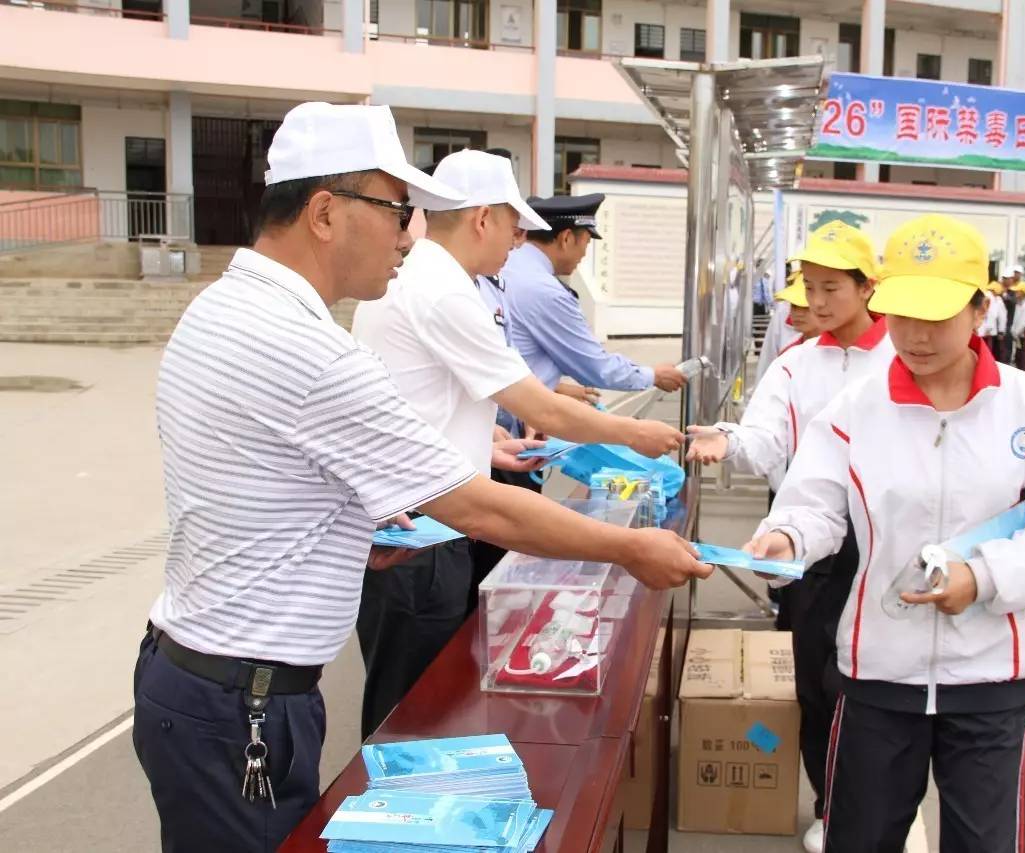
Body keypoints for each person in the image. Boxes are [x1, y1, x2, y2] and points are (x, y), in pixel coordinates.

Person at [132, 103, 712, 853]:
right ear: (324, 213)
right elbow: (479, 508)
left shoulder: (224, 306)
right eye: (396, 209)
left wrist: (352, 534)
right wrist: (631, 548)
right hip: (241, 700)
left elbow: (256, 484)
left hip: (204, 679)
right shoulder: (308, 349)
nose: (408, 234)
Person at [746, 213, 1025, 853]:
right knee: (860, 838)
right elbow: (816, 505)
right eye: (904, 313)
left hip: (989, 678)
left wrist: (984, 577)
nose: (915, 335)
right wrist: (787, 539)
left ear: (980, 310)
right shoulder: (858, 409)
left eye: (937, 316)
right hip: (878, 674)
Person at [349, 149, 687, 738]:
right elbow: (540, 406)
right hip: (421, 535)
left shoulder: (430, 278)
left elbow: (419, 403)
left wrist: (486, 445)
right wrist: (635, 433)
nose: (518, 240)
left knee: (425, 695)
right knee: (412, 712)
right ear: (482, 218)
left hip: (421, 521)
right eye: (513, 225)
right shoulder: (442, 290)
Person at [686, 222, 892, 853]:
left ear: (868, 287)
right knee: (816, 684)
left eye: (832, 288)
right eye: (811, 287)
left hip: (888, 547)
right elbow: (767, 437)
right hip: (812, 539)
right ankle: (832, 806)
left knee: (877, 687)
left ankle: (880, 808)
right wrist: (729, 441)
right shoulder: (796, 364)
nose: (817, 301)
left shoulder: (903, 355)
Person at [501, 193, 688, 422]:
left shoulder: (507, 266)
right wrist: (653, 375)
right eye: (586, 243)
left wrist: (556, 387)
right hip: (509, 422)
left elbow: (520, 353)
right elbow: (594, 366)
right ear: (566, 238)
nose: (583, 254)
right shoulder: (545, 291)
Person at [756, 270, 817, 383]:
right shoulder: (788, 352)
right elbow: (767, 364)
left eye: (805, 307)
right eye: (794, 306)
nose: (799, 313)